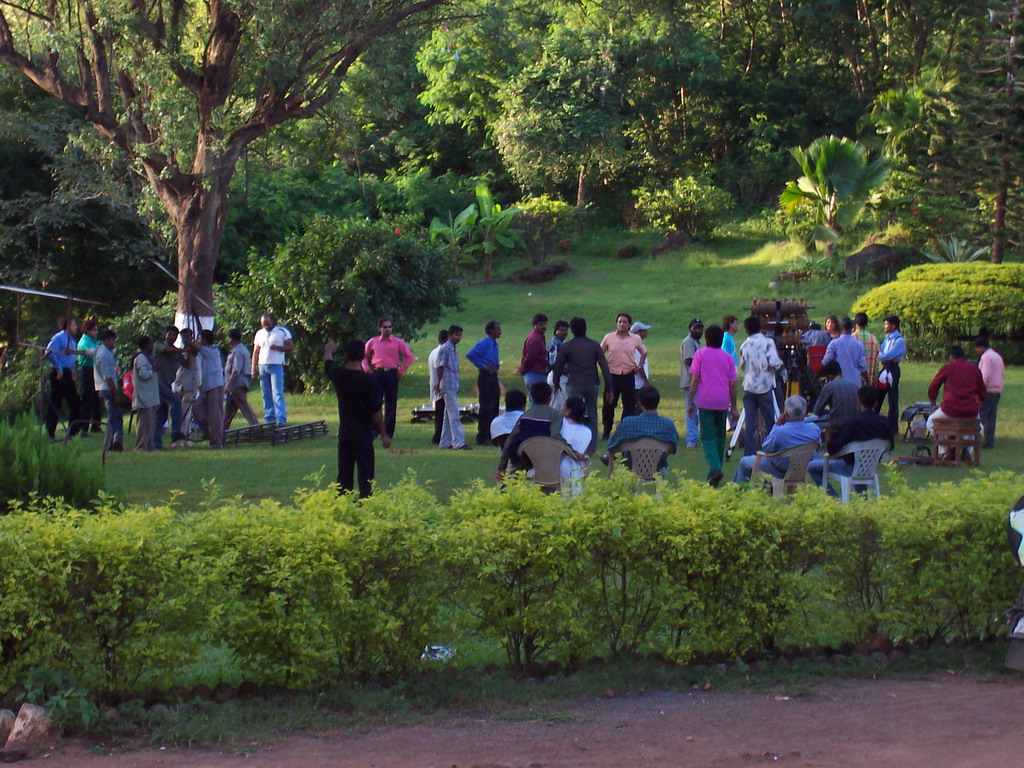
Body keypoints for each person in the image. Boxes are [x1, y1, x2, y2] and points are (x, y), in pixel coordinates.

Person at [323, 340, 390, 497]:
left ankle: (344, 507)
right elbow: (376, 411)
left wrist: (329, 349)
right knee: (366, 478)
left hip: (345, 434)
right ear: (363, 357)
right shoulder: (369, 381)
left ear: (346, 356)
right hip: (364, 435)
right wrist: (384, 434)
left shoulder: (340, 376)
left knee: (344, 477)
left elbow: (328, 362)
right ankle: (365, 507)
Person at [808, 387, 894, 496]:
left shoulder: (854, 423)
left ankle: (834, 499)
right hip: (871, 467)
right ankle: (862, 499)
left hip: (848, 467)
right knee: (858, 459)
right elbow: (890, 445)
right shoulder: (885, 423)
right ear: (876, 403)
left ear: (858, 401)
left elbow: (833, 447)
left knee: (813, 466)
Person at [551, 317, 613, 457]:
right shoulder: (594, 345)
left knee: (572, 416)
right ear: (585, 328)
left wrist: (555, 383)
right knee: (592, 413)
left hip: (574, 384)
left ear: (572, 330)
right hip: (592, 383)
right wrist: (609, 387)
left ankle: (572, 445)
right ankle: (590, 448)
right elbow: (604, 366)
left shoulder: (568, 346)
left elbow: (558, 366)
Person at [688, 325, 738, 486]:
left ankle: (715, 469)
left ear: (706, 339)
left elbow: (695, 379)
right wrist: (735, 406)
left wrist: (690, 402)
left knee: (707, 436)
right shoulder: (728, 358)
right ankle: (714, 474)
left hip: (705, 400)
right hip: (723, 401)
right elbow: (732, 384)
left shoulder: (700, 354)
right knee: (720, 436)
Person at [732, 396, 821, 484]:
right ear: (805, 412)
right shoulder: (814, 428)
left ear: (786, 412)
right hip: (801, 468)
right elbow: (817, 446)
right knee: (770, 459)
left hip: (777, 469)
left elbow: (766, 448)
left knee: (744, 462)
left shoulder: (781, 431)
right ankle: (767, 491)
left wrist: (777, 425)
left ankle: (737, 490)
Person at [494, 381, 565, 480]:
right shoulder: (555, 415)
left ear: (531, 397)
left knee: (512, 482)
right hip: (543, 457)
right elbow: (555, 436)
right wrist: (572, 452)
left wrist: (501, 467)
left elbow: (510, 440)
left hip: (520, 456)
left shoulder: (525, 415)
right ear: (550, 397)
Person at [926, 345, 986, 453]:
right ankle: (967, 452)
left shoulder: (947, 368)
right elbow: (982, 390)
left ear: (951, 356)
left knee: (930, 422)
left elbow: (933, 386)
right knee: (978, 427)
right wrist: (980, 403)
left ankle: (945, 450)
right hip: (970, 410)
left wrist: (933, 401)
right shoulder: (974, 369)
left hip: (949, 409)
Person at [607, 385, 678, 477]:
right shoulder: (668, 425)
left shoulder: (628, 423)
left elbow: (612, 446)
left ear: (639, 404)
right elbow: (673, 448)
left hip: (630, 468)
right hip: (658, 469)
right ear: (658, 402)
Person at [363, 317, 416, 439]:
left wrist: (401, 371)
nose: (387, 329)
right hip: (378, 372)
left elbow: (409, 357)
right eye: (385, 327)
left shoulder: (398, 342)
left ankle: (388, 431)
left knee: (391, 403)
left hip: (392, 373)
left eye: (389, 327)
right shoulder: (373, 342)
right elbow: (363, 356)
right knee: (375, 402)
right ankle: (374, 430)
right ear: (379, 328)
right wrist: (367, 369)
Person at [738, 316, 783, 456]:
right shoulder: (767, 342)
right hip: (764, 386)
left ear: (746, 330)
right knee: (770, 420)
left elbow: (742, 365)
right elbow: (775, 362)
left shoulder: (744, 345)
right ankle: (770, 449)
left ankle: (749, 453)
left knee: (750, 422)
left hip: (749, 386)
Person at [601, 312, 647, 440]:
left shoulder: (635, 339)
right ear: (617, 323)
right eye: (620, 321)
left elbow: (644, 352)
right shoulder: (609, 337)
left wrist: (639, 366)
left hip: (628, 375)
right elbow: (600, 353)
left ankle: (623, 431)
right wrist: (604, 367)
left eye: (625, 322)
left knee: (628, 405)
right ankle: (606, 431)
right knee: (609, 405)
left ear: (629, 325)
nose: (622, 324)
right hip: (612, 376)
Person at [43, 316, 83, 440]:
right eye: (74, 325)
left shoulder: (72, 341)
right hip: (58, 373)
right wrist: (59, 368)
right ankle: (50, 433)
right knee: (56, 403)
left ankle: (73, 431)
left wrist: (72, 370)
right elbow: (49, 352)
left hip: (67, 372)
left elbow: (70, 357)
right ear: (69, 325)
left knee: (75, 402)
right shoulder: (59, 337)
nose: (76, 327)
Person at [465, 321, 502, 445]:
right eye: (497, 329)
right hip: (486, 377)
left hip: (493, 376)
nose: (500, 331)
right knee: (486, 406)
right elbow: (470, 354)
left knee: (494, 405)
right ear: (491, 330)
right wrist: (484, 366)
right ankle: (483, 435)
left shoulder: (494, 344)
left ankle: (492, 434)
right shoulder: (485, 343)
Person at [251, 313, 292, 425]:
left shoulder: (282, 331)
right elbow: (256, 351)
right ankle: (269, 418)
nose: (266, 326)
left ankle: (280, 419)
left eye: (267, 324)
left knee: (277, 393)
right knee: (266, 393)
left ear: (272, 321)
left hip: (276, 364)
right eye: (263, 325)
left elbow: (290, 347)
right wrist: (253, 368)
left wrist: (278, 348)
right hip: (262, 365)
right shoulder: (259, 333)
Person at [152, 325, 188, 449]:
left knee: (161, 415)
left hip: (166, 386)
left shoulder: (177, 353)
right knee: (176, 400)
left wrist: (192, 351)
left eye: (174, 335)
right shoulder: (158, 345)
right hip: (156, 384)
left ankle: (156, 442)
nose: (171, 337)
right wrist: (184, 350)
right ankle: (176, 433)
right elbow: (167, 350)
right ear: (166, 335)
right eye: (170, 334)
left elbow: (187, 365)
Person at [436, 324, 469, 450]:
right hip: (447, 384)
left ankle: (445, 441)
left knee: (447, 414)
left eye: (460, 335)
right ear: (450, 335)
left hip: (453, 384)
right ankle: (458, 442)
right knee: (454, 414)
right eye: (456, 335)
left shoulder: (454, 349)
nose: (459, 338)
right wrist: (439, 382)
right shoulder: (445, 348)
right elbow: (440, 366)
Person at [192, 329, 226, 449]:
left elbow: (195, 345)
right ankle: (212, 434)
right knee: (197, 409)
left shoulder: (212, 351)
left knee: (215, 415)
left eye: (200, 338)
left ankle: (217, 442)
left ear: (204, 340)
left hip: (215, 386)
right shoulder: (205, 352)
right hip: (206, 386)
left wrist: (191, 339)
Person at [93, 330, 124, 452]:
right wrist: (116, 393)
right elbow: (107, 377)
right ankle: (109, 443)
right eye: (109, 340)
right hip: (107, 388)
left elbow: (87, 352)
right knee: (112, 416)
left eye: (113, 340)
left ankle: (117, 441)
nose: (112, 343)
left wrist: (74, 351)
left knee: (117, 415)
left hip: (103, 387)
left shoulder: (99, 350)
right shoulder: (104, 354)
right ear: (104, 341)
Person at [224, 328, 260, 430]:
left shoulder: (238, 351)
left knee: (244, 407)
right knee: (229, 410)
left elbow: (236, 370)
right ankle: (222, 430)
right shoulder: (241, 349)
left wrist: (229, 385)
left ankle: (256, 428)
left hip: (237, 384)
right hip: (236, 384)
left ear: (232, 339)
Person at [974, 337, 1005, 449]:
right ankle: (989, 441)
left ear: (981, 347)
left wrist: (978, 390)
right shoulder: (997, 356)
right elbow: (1002, 373)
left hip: (987, 391)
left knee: (981, 416)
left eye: (977, 348)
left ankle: (974, 439)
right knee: (991, 417)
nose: (977, 351)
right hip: (997, 390)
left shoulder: (986, 358)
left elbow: (984, 376)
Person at [877, 314, 906, 431]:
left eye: (887, 324)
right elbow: (885, 355)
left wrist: (880, 354)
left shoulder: (899, 340)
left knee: (892, 397)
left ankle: (893, 426)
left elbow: (887, 355)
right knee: (878, 395)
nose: (885, 326)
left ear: (894, 326)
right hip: (885, 368)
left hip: (892, 368)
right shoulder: (886, 339)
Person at [679, 318, 704, 448]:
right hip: (691, 381)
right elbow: (689, 360)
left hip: (695, 380)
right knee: (692, 411)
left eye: (700, 328)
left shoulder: (696, 342)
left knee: (695, 411)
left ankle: (693, 438)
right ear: (690, 328)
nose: (699, 330)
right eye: (696, 328)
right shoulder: (689, 342)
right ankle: (691, 440)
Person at [812, 360, 859, 429]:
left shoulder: (829, 385)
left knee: (807, 421)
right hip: (854, 421)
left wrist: (828, 411)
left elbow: (817, 410)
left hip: (837, 422)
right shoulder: (853, 385)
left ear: (829, 375)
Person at [132, 335, 159, 452]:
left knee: (151, 422)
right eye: (150, 343)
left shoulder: (148, 357)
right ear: (146, 345)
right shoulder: (141, 358)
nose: (152, 345)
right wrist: (154, 369)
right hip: (144, 395)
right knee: (144, 423)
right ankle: (141, 445)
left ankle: (149, 445)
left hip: (150, 395)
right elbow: (144, 374)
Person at [559, 396, 592, 494]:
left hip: (558, 465)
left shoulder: (561, 425)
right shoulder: (587, 432)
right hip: (578, 468)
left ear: (568, 411)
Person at [821, 317, 867, 386]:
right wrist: (868, 381)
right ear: (852, 328)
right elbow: (862, 366)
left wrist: (817, 376)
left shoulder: (834, 343)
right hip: (855, 383)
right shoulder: (859, 344)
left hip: (839, 384)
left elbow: (826, 362)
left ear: (840, 328)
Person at [76, 320, 103, 434]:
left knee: (97, 399)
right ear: (88, 331)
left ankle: (96, 425)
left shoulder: (94, 341)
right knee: (87, 399)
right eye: (94, 330)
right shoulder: (83, 342)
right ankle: (84, 427)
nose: (96, 332)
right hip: (86, 371)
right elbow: (92, 352)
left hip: (95, 370)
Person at [174, 327, 201, 440]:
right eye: (183, 337)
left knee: (186, 410)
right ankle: (179, 432)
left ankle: (185, 433)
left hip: (191, 383)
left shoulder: (195, 348)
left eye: (187, 336)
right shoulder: (182, 350)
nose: (185, 339)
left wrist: (190, 347)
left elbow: (190, 363)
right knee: (179, 409)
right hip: (181, 382)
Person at [517, 313, 549, 404]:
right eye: (540, 324)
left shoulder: (539, 337)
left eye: (545, 324)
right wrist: (523, 370)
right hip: (535, 373)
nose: (544, 327)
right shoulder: (535, 339)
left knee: (536, 401)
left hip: (536, 373)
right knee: (537, 402)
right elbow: (530, 357)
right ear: (534, 325)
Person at [427, 329, 449, 445]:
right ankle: (439, 436)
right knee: (442, 413)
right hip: (441, 387)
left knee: (440, 412)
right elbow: (440, 369)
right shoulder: (441, 352)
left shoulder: (433, 352)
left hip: (436, 386)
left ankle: (440, 435)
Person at [547, 319, 570, 411]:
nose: (564, 332)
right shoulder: (556, 344)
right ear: (556, 331)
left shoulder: (561, 343)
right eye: (562, 330)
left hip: (559, 376)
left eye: (566, 330)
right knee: (558, 406)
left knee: (558, 403)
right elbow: (554, 362)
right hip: (558, 376)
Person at [854, 312, 880, 381]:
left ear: (856, 324)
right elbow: (876, 364)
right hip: (869, 380)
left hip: (854, 380)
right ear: (866, 324)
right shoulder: (873, 339)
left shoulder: (852, 338)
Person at [631, 321, 652, 394]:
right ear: (638, 332)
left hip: (638, 384)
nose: (646, 332)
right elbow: (639, 367)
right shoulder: (636, 348)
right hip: (637, 385)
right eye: (644, 330)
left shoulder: (639, 345)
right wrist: (646, 382)